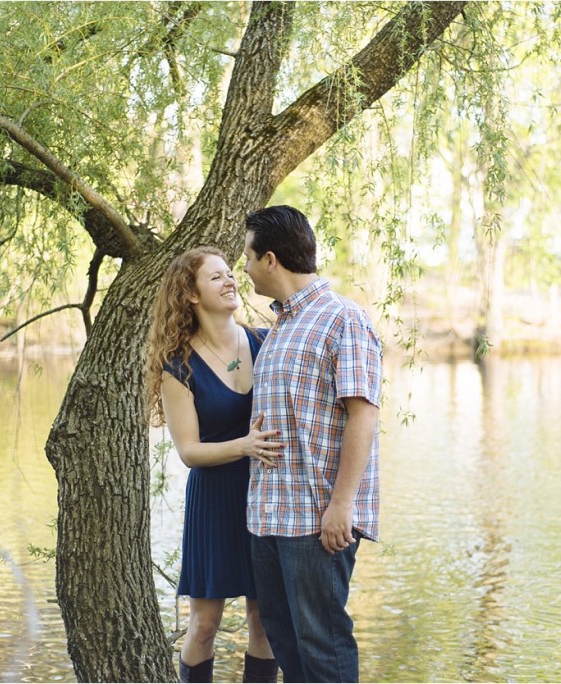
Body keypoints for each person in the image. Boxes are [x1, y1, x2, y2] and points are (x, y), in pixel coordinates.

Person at [242, 206, 384, 683]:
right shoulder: (280, 325)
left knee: (323, 648)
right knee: (286, 644)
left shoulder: (343, 319)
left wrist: (341, 506)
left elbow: (363, 416)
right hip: (268, 517)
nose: (244, 268)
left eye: (248, 257)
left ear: (270, 259)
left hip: (316, 519)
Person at [147, 246, 284, 683]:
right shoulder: (178, 365)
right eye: (216, 277)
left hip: (265, 495)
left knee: (264, 621)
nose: (230, 281)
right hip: (214, 500)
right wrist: (244, 445)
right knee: (204, 625)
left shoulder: (265, 340)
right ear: (191, 294)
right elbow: (189, 452)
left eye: (230, 273)